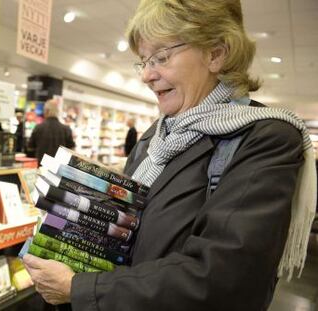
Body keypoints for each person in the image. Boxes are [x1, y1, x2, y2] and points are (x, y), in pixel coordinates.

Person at [23, 1, 316, 310]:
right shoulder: (155, 136)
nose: (147, 75)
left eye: (161, 57)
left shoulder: (264, 138)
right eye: (143, 61)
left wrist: (79, 288)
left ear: (216, 53)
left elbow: (224, 278)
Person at [28, 99, 75, 164]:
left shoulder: (38, 128)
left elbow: (30, 148)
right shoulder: (66, 129)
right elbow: (71, 150)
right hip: (59, 168)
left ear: (46, 111)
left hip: (41, 167)